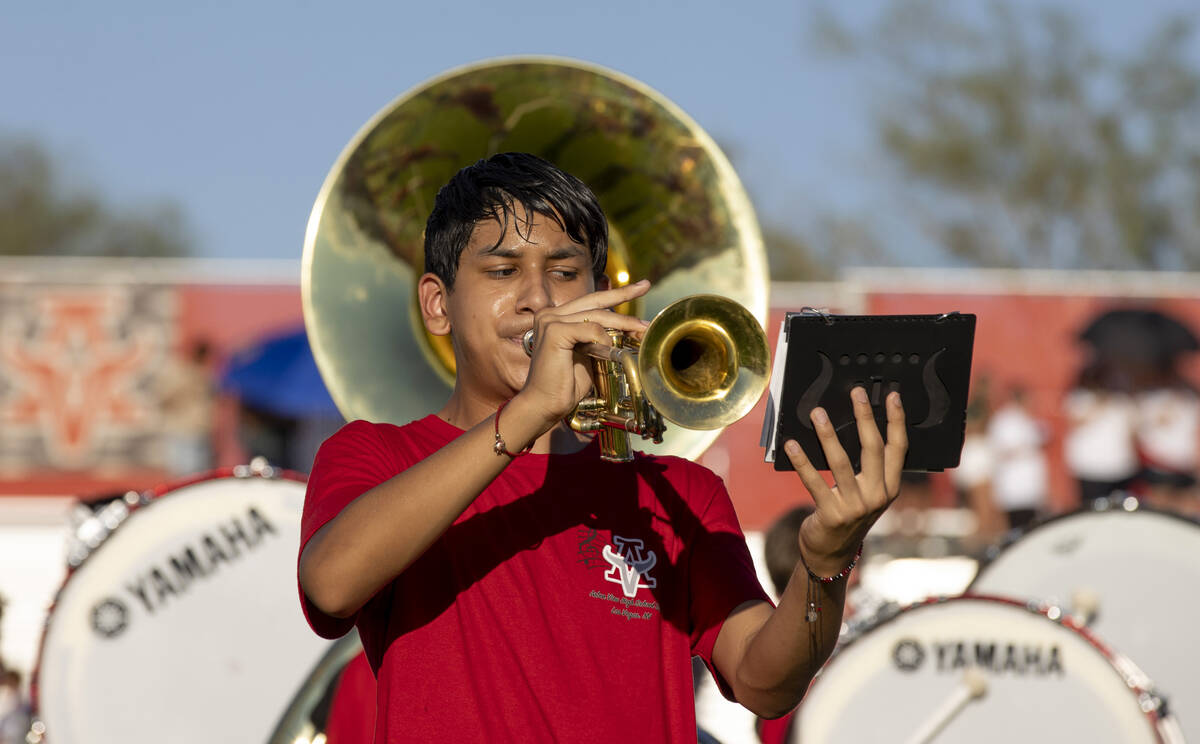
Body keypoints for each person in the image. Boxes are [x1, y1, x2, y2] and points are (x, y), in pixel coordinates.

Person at [297, 153, 907, 742]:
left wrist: (825, 565)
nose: (540, 299)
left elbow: (764, 684)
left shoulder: (680, 492)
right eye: (503, 271)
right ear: (438, 305)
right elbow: (331, 585)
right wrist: (530, 412)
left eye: (565, 272)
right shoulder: (376, 455)